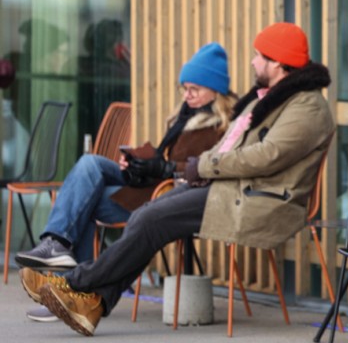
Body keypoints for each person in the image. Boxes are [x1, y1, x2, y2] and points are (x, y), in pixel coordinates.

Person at [19, 22, 335, 337]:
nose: (252, 62)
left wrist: (201, 167)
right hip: (229, 188)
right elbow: (229, 151)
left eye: (258, 55)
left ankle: (76, 282)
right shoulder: (268, 98)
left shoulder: (307, 106)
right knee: (145, 215)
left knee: (150, 219)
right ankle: (91, 305)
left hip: (257, 198)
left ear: (278, 62)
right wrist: (187, 170)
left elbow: (268, 156)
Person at [17, 42, 234, 270]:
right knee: (90, 163)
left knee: (84, 200)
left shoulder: (224, 125)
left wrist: (163, 167)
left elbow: (210, 166)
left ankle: (74, 287)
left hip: (169, 193)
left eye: (195, 89)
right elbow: (163, 159)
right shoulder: (185, 115)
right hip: (151, 183)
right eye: (184, 88)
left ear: (215, 90)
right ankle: (55, 243)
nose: (187, 95)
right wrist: (136, 164)